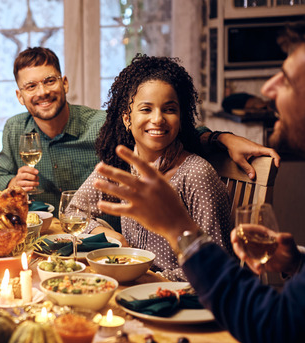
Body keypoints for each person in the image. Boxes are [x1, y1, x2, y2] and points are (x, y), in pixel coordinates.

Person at [92, 15, 305, 343]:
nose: (267, 89)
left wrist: (179, 228)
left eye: (289, 82)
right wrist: (299, 263)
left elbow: (282, 333)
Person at [0, 47, 280, 223]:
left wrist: (222, 138)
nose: (42, 92)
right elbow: (1, 178)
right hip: (65, 237)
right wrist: (13, 183)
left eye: (49, 81)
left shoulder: (103, 126)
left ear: (64, 82)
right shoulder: (14, 129)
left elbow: (160, 132)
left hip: (120, 247)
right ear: (20, 96)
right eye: (31, 87)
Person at [69, 55, 231, 281]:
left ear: (181, 117)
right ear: (127, 118)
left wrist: (152, 279)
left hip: (179, 294)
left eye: (169, 110)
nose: (158, 119)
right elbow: (73, 212)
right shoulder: (122, 166)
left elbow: (216, 265)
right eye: (146, 109)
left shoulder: (195, 173)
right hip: (136, 285)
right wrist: (112, 237)